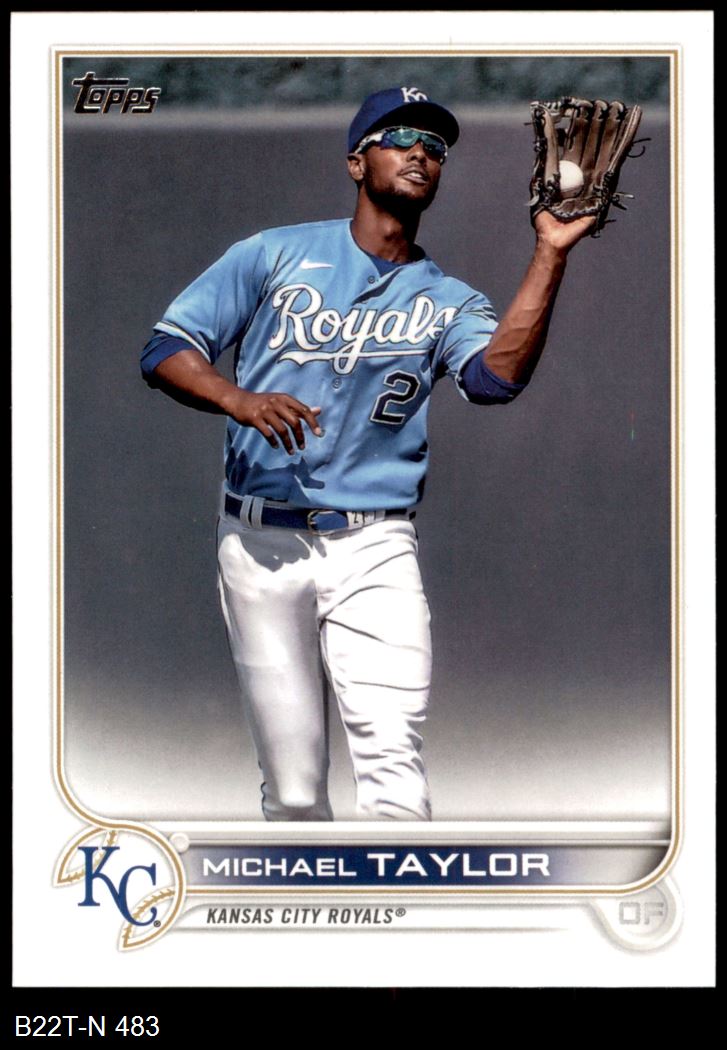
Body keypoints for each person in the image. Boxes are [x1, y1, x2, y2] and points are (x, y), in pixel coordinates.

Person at [140, 86, 595, 822]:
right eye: (400, 137)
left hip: (375, 545)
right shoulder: (274, 254)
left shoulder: (448, 299)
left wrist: (549, 252)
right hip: (259, 544)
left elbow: (494, 380)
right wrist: (237, 398)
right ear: (357, 162)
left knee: (392, 767)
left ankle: (396, 896)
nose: (421, 152)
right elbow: (166, 348)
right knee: (293, 794)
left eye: (435, 146)